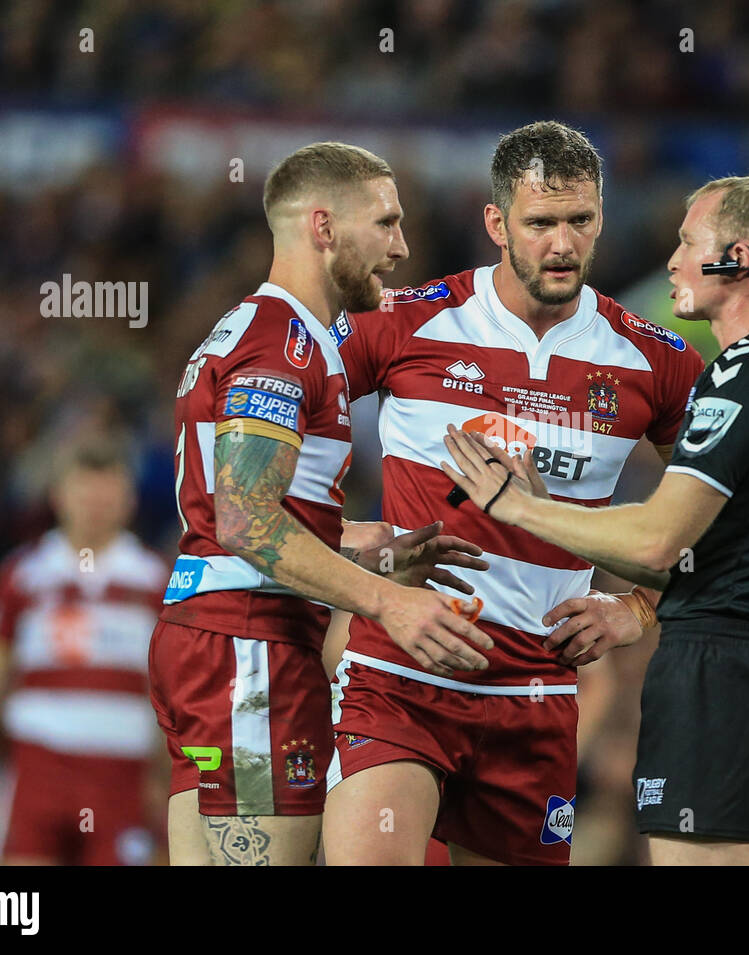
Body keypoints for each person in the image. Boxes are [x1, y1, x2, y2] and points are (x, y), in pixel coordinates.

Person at [441, 175, 749, 866]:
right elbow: (724, 548)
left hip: (721, 672)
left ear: (737, 257)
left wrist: (517, 506)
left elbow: (658, 536)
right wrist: (636, 610)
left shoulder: (747, 371)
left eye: (687, 242)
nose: (671, 260)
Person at [323, 121, 704, 866]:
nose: (562, 245)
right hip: (403, 674)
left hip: (537, 695)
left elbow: (731, 515)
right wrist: (351, 543)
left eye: (580, 221)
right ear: (496, 222)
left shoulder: (655, 362)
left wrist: (636, 609)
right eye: (540, 223)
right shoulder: (402, 322)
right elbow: (259, 444)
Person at [150, 142, 493, 866]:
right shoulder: (283, 348)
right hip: (251, 648)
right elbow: (245, 520)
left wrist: (372, 544)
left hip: (219, 640)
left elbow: (243, 514)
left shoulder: (271, 335)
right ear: (323, 226)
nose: (402, 247)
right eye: (386, 223)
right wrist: (386, 601)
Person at [0, 439, 168, 865]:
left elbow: (172, 690)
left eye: (107, 492)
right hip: (37, 769)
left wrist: (168, 775)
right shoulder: (22, 575)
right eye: (84, 490)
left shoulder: (157, 582)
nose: (95, 504)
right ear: (58, 494)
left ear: (129, 500)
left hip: (122, 778)